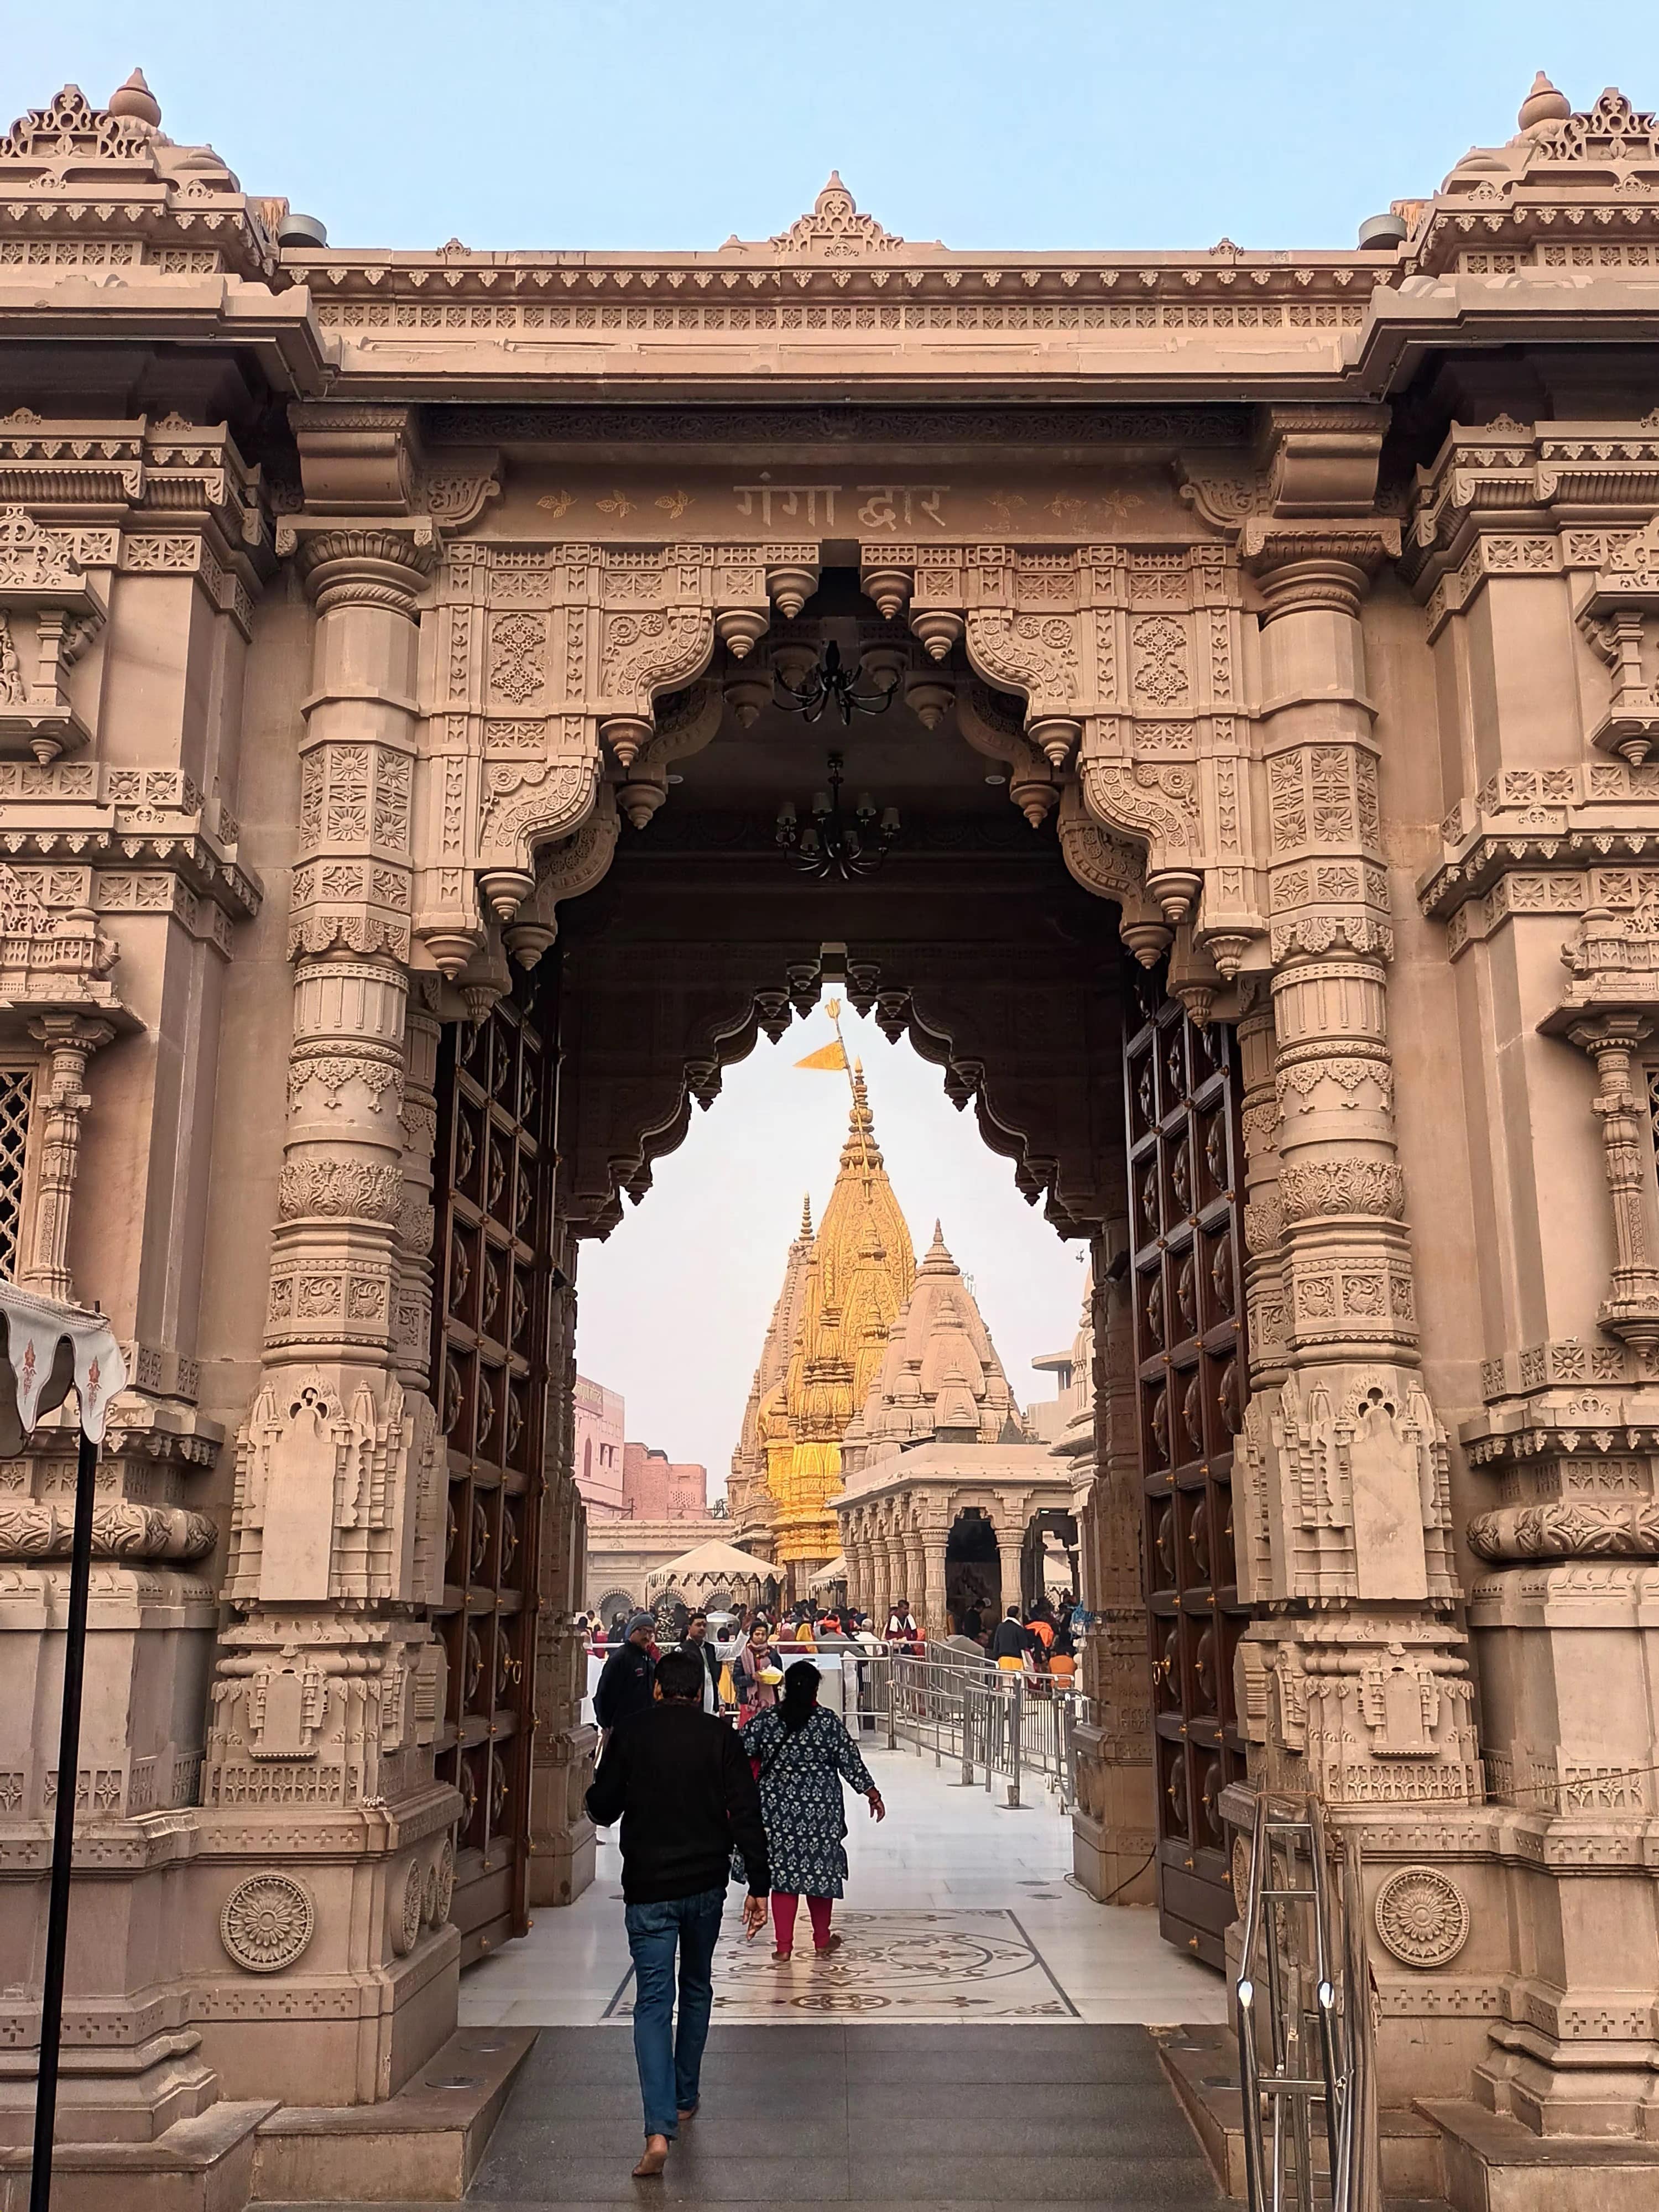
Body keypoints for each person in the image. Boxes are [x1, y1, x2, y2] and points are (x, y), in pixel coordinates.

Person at [586, 1646, 769, 2179]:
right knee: (696, 1986)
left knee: (652, 2001)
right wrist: (759, 1883)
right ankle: (686, 2095)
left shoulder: (634, 1733)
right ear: (700, 1693)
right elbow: (746, 1812)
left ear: (659, 1689)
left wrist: (601, 1784)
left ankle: (658, 2129)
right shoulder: (720, 1737)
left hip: (648, 1888)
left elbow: (604, 1807)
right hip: (705, 1886)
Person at [741, 1660, 884, 1961]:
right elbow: (850, 1762)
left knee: (782, 1875)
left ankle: (783, 1947)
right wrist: (872, 1793)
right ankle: (821, 1940)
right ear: (815, 1689)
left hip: (777, 1810)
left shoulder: (768, 1720)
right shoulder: (827, 1722)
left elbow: (738, 1749)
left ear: (785, 1688)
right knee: (820, 1874)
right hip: (821, 1812)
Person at [594, 1613, 657, 1739]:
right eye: (643, 1631)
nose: (647, 1637)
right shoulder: (620, 1658)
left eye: (651, 1633)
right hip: (623, 1729)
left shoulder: (648, 1660)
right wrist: (607, 1724)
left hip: (645, 1727)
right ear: (633, 1631)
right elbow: (604, 1693)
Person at [682, 1611, 745, 1715]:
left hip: (711, 1705)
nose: (702, 1628)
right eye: (698, 1625)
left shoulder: (711, 1649)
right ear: (689, 1628)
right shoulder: (682, 1651)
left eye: (704, 1625)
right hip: (692, 1705)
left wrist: (744, 1633)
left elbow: (733, 1652)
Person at [737, 1623, 780, 1721]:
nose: (760, 1637)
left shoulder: (772, 1654)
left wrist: (778, 1680)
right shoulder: (743, 1655)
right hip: (749, 1703)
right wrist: (752, 1677)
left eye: (763, 1634)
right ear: (752, 1635)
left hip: (769, 1703)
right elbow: (736, 1679)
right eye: (757, 1634)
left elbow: (779, 1673)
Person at [989, 1604, 1031, 1671]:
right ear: (1017, 1615)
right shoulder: (1019, 1628)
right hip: (1016, 1660)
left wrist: (995, 1657)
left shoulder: (1000, 1627)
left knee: (1004, 1681)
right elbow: (1024, 1645)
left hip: (1003, 1659)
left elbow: (996, 1643)